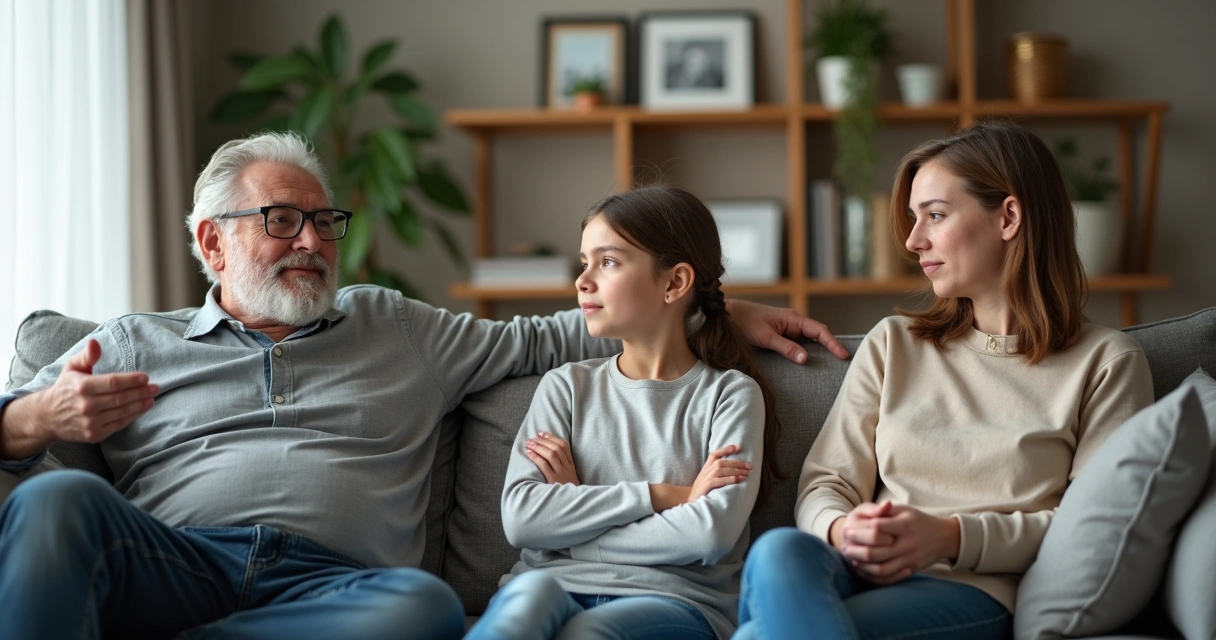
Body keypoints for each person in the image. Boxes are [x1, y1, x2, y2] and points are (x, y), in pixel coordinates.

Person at [0, 132, 847, 640]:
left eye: (325, 221)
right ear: (212, 244)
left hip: (339, 587)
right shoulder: (128, 343)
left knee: (424, 611)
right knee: (55, 505)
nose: (312, 241)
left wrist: (717, 312)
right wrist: (36, 416)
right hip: (176, 561)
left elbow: (558, 334)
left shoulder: (396, 327)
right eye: (282, 221)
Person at [733, 122, 1155, 640]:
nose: (913, 241)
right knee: (778, 550)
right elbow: (828, 483)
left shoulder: (1106, 363)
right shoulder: (893, 343)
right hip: (852, 572)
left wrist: (949, 537)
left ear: (1009, 217)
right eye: (914, 219)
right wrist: (844, 529)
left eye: (935, 215)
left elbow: (1091, 526)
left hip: (970, 591)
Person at [464, 185, 778, 640]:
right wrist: (668, 496)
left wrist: (573, 525)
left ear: (674, 283)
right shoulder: (565, 386)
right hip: (546, 585)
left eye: (607, 262)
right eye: (585, 261)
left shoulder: (730, 396)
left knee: (589, 634)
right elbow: (522, 518)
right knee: (517, 616)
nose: (582, 280)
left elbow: (709, 534)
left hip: (673, 600)